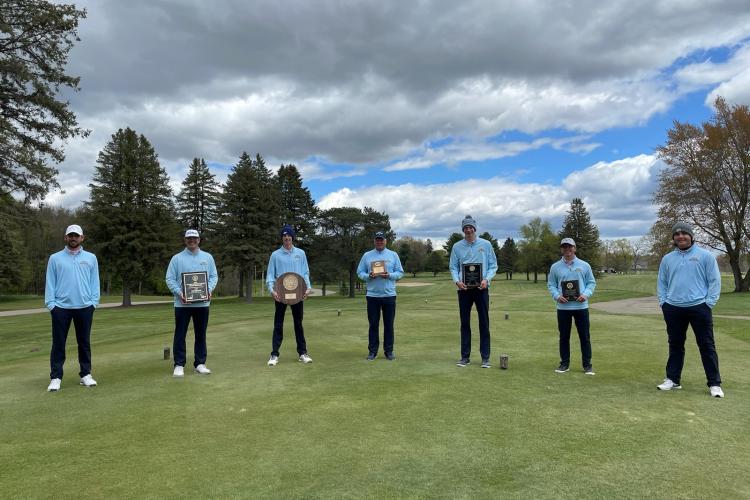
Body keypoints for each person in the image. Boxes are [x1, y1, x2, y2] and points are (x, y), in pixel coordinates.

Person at [656, 222, 723, 398]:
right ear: (673, 238)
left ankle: (714, 383)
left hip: (699, 307)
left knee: (706, 345)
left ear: (691, 236)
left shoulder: (705, 256)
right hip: (673, 307)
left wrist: (709, 303)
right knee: (675, 344)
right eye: (676, 234)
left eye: (684, 233)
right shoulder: (667, 259)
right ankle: (673, 379)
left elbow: (714, 281)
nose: (680, 236)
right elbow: (662, 282)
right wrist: (664, 302)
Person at [45, 224, 100, 392]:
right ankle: (56, 377)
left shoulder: (91, 258)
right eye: (71, 235)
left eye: (77, 236)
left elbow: (94, 281)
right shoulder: (55, 258)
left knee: (84, 342)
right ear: (65, 238)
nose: (73, 238)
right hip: (61, 307)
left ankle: (85, 374)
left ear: (82, 238)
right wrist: (51, 305)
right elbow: (50, 282)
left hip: (84, 306)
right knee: (58, 344)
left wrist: (94, 303)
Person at [165, 229, 219, 377]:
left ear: (199, 240)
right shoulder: (177, 258)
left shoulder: (207, 257)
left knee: (200, 334)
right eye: (189, 238)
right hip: (182, 304)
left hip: (202, 304)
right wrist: (179, 293)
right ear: (185, 240)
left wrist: (209, 289)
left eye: (194, 238)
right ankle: (179, 364)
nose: (192, 241)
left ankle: (200, 363)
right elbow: (169, 279)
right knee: (180, 334)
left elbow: (213, 276)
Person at [449, 215, 498, 368]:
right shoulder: (457, 246)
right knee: (465, 323)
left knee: (484, 323)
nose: (468, 230)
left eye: (471, 227)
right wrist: (457, 281)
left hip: (481, 288)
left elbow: (493, 265)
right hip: (463, 289)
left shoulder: (486, 244)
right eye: (466, 228)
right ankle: (465, 357)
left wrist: (486, 280)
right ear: (463, 229)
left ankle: (485, 358)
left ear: (475, 229)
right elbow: (453, 267)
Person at [547, 238, 597, 375]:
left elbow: (591, 283)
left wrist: (586, 294)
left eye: (570, 247)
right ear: (561, 249)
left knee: (585, 337)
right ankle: (564, 364)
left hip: (581, 306)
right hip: (563, 308)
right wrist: (557, 296)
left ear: (574, 248)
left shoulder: (584, 265)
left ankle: (587, 365)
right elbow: (551, 284)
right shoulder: (555, 267)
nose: (567, 250)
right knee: (564, 337)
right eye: (564, 247)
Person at [266, 225, 312, 366]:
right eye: (284, 236)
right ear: (282, 238)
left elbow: (305, 273)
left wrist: (308, 287)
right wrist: (271, 290)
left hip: (297, 294)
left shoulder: (301, 253)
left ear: (292, 237)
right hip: (280, 294)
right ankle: (274, 355)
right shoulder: (275, 255)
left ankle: (302, 353)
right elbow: (270, 275)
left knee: (298, 324)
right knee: (278, 324)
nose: (287, 238)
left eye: (289, 236)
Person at [357, 231, 405, 360]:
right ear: (374, 241)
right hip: (372, 296)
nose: (379, 242)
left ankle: (388, 351)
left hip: (389, 295)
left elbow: (400, 273)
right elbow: (359, 272)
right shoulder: (367, 255)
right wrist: (368, 276)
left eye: (381, 240)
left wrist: (389, 275)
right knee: (373, 325)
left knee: (389, 325)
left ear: (385, 241)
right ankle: (372, 351)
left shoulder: (393, 255)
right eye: (377, 240)